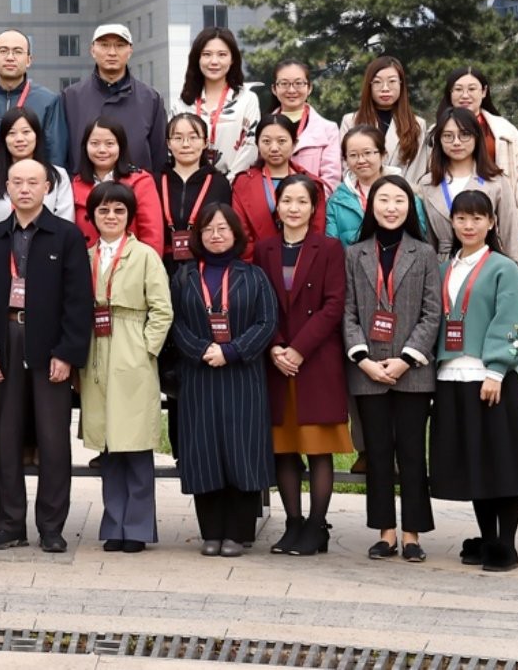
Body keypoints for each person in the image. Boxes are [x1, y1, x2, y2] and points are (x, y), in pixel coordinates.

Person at [0, 157, 90, 553]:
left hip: (50, 345)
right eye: (17, 182)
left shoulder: (66, 236)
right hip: (6, 340)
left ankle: (51, 527)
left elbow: (78, 300)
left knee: (53, 439)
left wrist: (67, 353)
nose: (24, 189)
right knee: (6, 437)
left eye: (33, 182)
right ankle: (9, 524)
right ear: (6, 188)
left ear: (47, 188)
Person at [428, 190, 518, 573]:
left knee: (501, 463)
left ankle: (506, 544)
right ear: (452, 222)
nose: (469, 225)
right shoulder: (444, 268)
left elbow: (512, 315)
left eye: (477, 218)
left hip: (490, 378)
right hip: (452, 377)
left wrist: (496, 369)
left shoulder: (502, 268)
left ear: (491, 222)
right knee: (475, 463)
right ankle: (487, 539)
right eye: (461, 218)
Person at [169, 203, 277, 557]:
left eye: (223, 228)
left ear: (236, 233)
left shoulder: (254, 275)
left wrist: (231, 351)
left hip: (242, 376)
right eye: (208, 229)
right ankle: (211, 533)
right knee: (204, 453)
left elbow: (267, 322)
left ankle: (238, 533)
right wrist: (201, 350)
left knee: (242, 451)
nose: (215, 235)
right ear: (198, 235)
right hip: (198, 375)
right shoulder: (184, 276)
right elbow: (174, 321)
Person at [343, 175, 442, 563]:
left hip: (412, 372)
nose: (391, 207)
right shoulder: (355, 254)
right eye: (383, 200)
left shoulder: (425, 253)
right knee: (378, 453)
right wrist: (364, 360)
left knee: (413, 454)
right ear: (371, 206)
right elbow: (348, 313)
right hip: (367, 372)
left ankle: (412, 534)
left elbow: (432, 313)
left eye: (399, 200)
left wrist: (405, 360)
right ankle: (385, 532)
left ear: (409, 206)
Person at [253, 174, 351, 557]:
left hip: (316, 360)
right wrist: (276, 346)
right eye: (287, 201)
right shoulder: (265, 249)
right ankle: (292, 523)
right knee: (285, 448)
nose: (293, 208)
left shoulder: (329, 248)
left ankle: (316, 526)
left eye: (302, 201)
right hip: (277, 361)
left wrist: (298, 349)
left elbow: (334, 304)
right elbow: (261, 303)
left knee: (318, 446)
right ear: (277, 206)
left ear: (313, 208)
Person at [78, 181, 173, 554]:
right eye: (103, 210)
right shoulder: (85, 256)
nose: (111, 216)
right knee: (109, 444)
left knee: (135, 444)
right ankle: (113, 523)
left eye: (119, 210)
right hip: (96, 345)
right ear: (92, 216)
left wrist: (146, 350)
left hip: (131, 344)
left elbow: (162, 309)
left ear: (130, 216)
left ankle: (137, 527)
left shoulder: (145, 255)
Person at [437, 67, 518, 284]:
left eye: (472, 89)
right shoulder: (435, 132)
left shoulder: (505, 131)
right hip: (450, 232)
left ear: (484, 91)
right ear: (450, 93)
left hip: (498, 226)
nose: (465, 95)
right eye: (458, 89)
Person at [414, 108, 518, 277]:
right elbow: (427, 239)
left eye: (464, 134)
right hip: (442, 269)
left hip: (485, 268)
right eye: (448, 136)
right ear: (439, 140)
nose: (456, 142)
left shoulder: (496, 181)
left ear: (476, 137)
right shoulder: (427, 184)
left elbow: (511, 235)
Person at [59, 23, 167, 178]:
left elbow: (159, 156)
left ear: (130, 51)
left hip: (135, 188)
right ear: (92, 50)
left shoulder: (150, 99)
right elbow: (61, 154)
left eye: (120, 45)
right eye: (104, 45)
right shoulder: (70, 97)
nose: (112, 52)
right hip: (84, 188)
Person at [170, 28, 261, 180]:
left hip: (233, 186)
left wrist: (226, 184)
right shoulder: (182, 104)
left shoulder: (247, 100)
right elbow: (172, 147)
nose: (214, 61)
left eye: (222, 54)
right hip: (191, 185)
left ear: (232, 59)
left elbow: (250, 147)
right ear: (197, 58)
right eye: (207, 54)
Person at [0, 29, 68, 178]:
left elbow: (55, 154)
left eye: (18, 52)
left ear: (29, 60)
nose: (10, 57)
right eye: (3, 51)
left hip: (33, 184)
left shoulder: (48, 101)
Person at [233, 114, 327, 260]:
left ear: (294, 143)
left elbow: (316, 231)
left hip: (302, 263)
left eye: (282, 141)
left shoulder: (312, 183)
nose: (274, 148)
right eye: (266, 141)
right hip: (257, 263)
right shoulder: (243, 183)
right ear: (257, 144)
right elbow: (241, 233)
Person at [70, 117, 164, 255]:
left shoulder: (140, 181)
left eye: (109, 144)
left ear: (121, 146)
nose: (102, 150)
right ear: (85, 146)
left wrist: (146, 264)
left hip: (130, 262)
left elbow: (152, 234)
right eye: (95, 143)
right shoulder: (75, 183)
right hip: (86, 261)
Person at [0, 107, 73, 236]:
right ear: (4, 139)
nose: (19, 139)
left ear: (37, 136)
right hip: (2, 246)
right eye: (12, 133)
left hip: (50, 246)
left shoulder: (58, 176)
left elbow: (65, 222)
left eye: (26, 132)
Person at [328, 125, 428, 243]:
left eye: (367, 153)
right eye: (353, 155)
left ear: (383, 155)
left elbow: (419, 237)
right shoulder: (337, 200)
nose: (361, 160)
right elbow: (331, 245)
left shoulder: (405, 194)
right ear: (345, 159)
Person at [338, 56, 429, 184]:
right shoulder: (351, 121)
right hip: (360, 192)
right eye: (377, 82)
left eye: (392, 81)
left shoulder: (417, 124)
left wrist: (400, 191)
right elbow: (346, 166)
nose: (385, 88)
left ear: (401, 84)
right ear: (369, 85)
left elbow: (417, 170)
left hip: (402, 192)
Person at [160, 113, 232, 270]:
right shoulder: (155, 181)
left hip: (206, 266)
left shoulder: (219, 183)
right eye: (178, 138)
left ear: (205, 142)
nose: (186, 144)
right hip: (161, 266)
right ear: (168, 143)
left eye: (193, 137)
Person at [268, 60, 342, 193]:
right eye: (284, 83)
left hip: (313, 203)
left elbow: (331, 180)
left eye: (298, 83)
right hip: (270, 202)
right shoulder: (262, 128)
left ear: (309, 88)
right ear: (274, 89)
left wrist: (307, 202)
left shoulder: (328, 129)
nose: (291, 90)